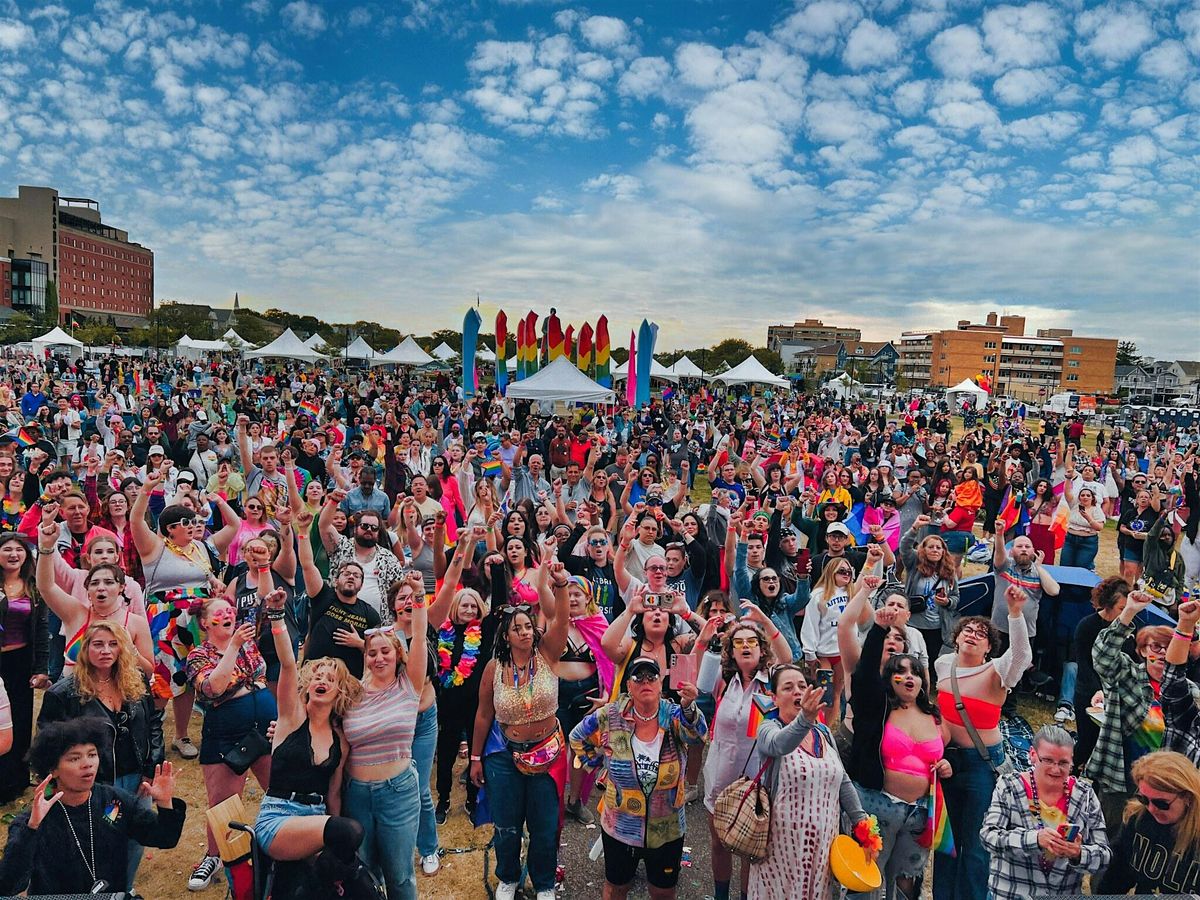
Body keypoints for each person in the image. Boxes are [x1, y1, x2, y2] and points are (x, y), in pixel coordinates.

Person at [253, 579, 376, 897]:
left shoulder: (339, 739)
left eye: (330, 679)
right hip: (279, 818)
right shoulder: (291, 717)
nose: (322, 680)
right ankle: (334, 881)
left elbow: (333, 795)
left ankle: (329, 884)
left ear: (339, 691)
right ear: (308, 684)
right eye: (317, 676)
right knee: (349, 833)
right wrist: (277, 615)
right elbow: (288, 663)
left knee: (362, 890)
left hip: (318, 821)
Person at [469, 559, 571, 900]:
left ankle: (543, 883)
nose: (526, 632)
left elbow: (562, 621)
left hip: (547, 751)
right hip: (503, 755)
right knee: (507, 824)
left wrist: (560, 584)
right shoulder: (493, 668)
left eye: (528, 626)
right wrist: (475, 758)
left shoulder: (549, 655)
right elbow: (483, 715)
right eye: (518, 628)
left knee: (544, 825)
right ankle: (508, 877)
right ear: (506, 635)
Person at [37, 621, 164, 891]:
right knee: (101, 843)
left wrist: (150, 768)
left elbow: (153, 723)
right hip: (97, 786)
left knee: (135, 840)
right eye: (98, 644)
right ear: (85, 649)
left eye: (113, 644)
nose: (106, 650)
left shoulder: (136, 680)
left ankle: (123, 891)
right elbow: (48, 746)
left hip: (137, 781)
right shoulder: (64, 694)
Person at [569, 656, 706, 900]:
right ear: (629, 686)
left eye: (651, 676)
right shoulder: (611, 715)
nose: (645, 681)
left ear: (660, 683)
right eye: (638, 677)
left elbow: (697, 736)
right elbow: (577, 737)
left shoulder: (673, 715)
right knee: (616, 888)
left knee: (663, 891)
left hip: (668, 828)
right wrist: (598, 765)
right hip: (620, 826)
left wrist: (688, 706)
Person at [0, 718, 184, 896]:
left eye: (92, 755)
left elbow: (165, 838)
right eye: (74, 758)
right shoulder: (34, 820)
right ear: (53, 770)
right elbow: (8, 885)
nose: (87, 764)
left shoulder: (114, 802)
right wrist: (31, 829)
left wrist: (165, 803)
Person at [933, 586, 1032, 900]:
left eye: (981, 634)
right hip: (947, 762)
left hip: (982, 765)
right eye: (968, 630)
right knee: (946, 841)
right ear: (957, 637)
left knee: (976, 845)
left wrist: (1014, 613)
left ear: (989, 647)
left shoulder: (997, 670)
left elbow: (1022, 655)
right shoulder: (942, 665)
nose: (973, 635)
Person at [847, 606, 950, 900]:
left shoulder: (933, 715)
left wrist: (945, 765)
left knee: (908, 882)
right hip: (878, 807)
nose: (909, 677)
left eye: (915, 672)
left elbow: (942, 753)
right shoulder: (878, 707)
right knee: (866, 879)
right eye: (900, 671)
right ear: (889, 678)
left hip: (919, 813)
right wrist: (879, 630)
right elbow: (864, 674)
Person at [747, 664, 874, 900]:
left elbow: (843, 781)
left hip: (823, 846)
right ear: (774, 698)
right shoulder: (768, 728)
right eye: (788, 687)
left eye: (802, 686)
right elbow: (780, 745)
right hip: (780, 847)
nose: (797, 691)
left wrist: (862, 823)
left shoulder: (823, 733)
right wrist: (804, 719)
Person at [342, 570, 429, 899]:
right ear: (365, 657)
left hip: (398, 792)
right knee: (364, 875)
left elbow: (420, 635)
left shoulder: (409, 685)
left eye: (385, 652)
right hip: (356, 793)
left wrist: (418, 596)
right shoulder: (351, 692)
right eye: (372, 653)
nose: (379, 658)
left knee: (400, 876)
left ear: (397, 654)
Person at [184, 595, 279, 892]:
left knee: (279, 789)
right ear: (204, 623)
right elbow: (214, 687)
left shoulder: (249, 643)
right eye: (220, 613)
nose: (228, 616)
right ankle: (214, 857)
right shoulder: (198, 655)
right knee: (224, 803)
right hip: (225, 733)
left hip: (264, 728)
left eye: (230, 611)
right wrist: (234, 645)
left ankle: (280, 848)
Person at [690, 615, 777, 900]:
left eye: (752, 641)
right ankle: (721, 896)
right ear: (731, 651)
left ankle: (745, 896)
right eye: (739, 642)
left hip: (756, 778)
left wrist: (764, 620)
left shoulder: (773, 681)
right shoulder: (724, 680)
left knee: (750, 849)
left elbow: (788, 655)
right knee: (718, 844)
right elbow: (696, 681)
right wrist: (704, 639)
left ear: (762, 648)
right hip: (720, 774)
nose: (746, 646)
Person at [981, 725, 1111, 900]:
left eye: (1063, 763)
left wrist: (1078, 853)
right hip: (1012, 894)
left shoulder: (1084, 795)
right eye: (1048, 760)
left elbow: (1104, 856)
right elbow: (989, 837)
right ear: (1032, 755)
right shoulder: (1009, 787)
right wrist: (1034, 839)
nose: (1056, 769)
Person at [1085, 589, 1171, 835]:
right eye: (1156, 647)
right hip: (1120, 777)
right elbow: (1102, 655)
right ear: (1142, 651)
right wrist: (1129, 611)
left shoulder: (1186, 692)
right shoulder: (1128, 674)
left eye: (1168, 647)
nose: (1162, 653)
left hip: (1164, 785)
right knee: (1109, 836)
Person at [1097, 749, 1200, 893]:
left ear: (1188, 797)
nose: (1151, 809)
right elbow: (1116, 876)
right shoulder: (1138, 816)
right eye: (1143, 799)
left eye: (1161, 803)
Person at [298, 509, 381, 679]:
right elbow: (307, 565)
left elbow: (380, 651)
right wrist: (303, 531)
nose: (351, 576)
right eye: (346, 573)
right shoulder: (322, 596)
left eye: (356, 575)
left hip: (349, 681)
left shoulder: (370, 614)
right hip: (314, 676)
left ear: (361, 585)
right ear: (336, 581)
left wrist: (359, 643)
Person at [0, 531, 50, 803]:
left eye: (19, 550)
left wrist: (41, 668)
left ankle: (14, 780)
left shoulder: (33, 587)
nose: (13, 554)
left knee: (19, 721)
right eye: (7, 549)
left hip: (20, 663)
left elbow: (41, 631)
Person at [899, 518, 960, 662]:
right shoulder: (915, 564)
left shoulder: (949, 572)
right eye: (931, 547)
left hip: (936, 627)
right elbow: (904, 547)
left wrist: (947, 602)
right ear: (923, 550)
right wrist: (915, 528)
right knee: (910, 661)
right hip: (913, 624)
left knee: (930, 661)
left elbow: (956, 597)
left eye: (938, 548)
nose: (935, 550)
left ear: (943, 551)